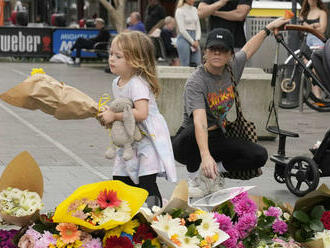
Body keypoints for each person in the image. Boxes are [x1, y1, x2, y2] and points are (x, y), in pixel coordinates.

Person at [172, 18, 289, 198]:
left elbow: (248, 48)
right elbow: (200, 122)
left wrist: (267, 29)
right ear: (205, 52)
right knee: (194, 130)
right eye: (213, 49)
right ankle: (194, 177)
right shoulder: (196, 81)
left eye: (223, 50)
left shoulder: (232, 67)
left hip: (218, 136)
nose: (217, 53)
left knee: (259, 155)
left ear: (230, 55)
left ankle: (212, 173)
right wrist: (205, 156)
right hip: (188, 142)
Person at [98, 31, 177, 207]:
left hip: (147, 137)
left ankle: (155, 213)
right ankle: (128, 215)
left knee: (146, 182)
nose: (112, 59)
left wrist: (115, 116)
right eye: (111, 54)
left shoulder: (137, 83)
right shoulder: (116, 82)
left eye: (118, 56)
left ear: (135, 60)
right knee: (121, 178)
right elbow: (123, 105)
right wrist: (108, 112)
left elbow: (142, 113)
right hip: (130, 138)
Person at [300, 0, 327, 98]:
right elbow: (301, 28)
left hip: (318, 42)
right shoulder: (304, 13)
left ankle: (319, 96)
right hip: (307, 42)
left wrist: (307, 25)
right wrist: (314, 26)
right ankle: (317, 97)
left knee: (317, 69)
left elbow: (322, 29)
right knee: (310, 70)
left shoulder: (321, 12)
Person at [175, 0, 201, 66]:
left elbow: (198, 26)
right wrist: (192, 42)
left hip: (195, 37)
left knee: (197, 62)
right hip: (184, 38)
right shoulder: (179, 10)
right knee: (185, 64)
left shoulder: (195, 9)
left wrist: (197, 40)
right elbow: (182, 30)